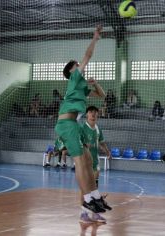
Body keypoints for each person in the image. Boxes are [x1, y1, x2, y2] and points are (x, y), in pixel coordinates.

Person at [54, 25, 111, 221]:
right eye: (76, 65)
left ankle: (94, 198)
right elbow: (87, 56)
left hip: (74, 125)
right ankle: (87, 200)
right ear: (72, 71)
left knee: (87, 160)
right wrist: (95, 38)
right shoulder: (74, 79)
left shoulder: (80, 85)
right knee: (80, 161)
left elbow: (102, 95)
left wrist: (94, 83)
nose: (80, 66)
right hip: (66, 125)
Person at [80, 106, 112, 222]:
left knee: (94, 188)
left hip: (95, 161)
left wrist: (107, 152)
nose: (93, 115)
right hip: (84, 162)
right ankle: (83, 214)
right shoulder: (82, 128)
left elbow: (102, 143)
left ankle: (95, 213)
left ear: (98, 115)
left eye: (95, 113)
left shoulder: (98, 129)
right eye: (90, 112)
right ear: (87, 115)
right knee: (85, 189)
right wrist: (84, 146)